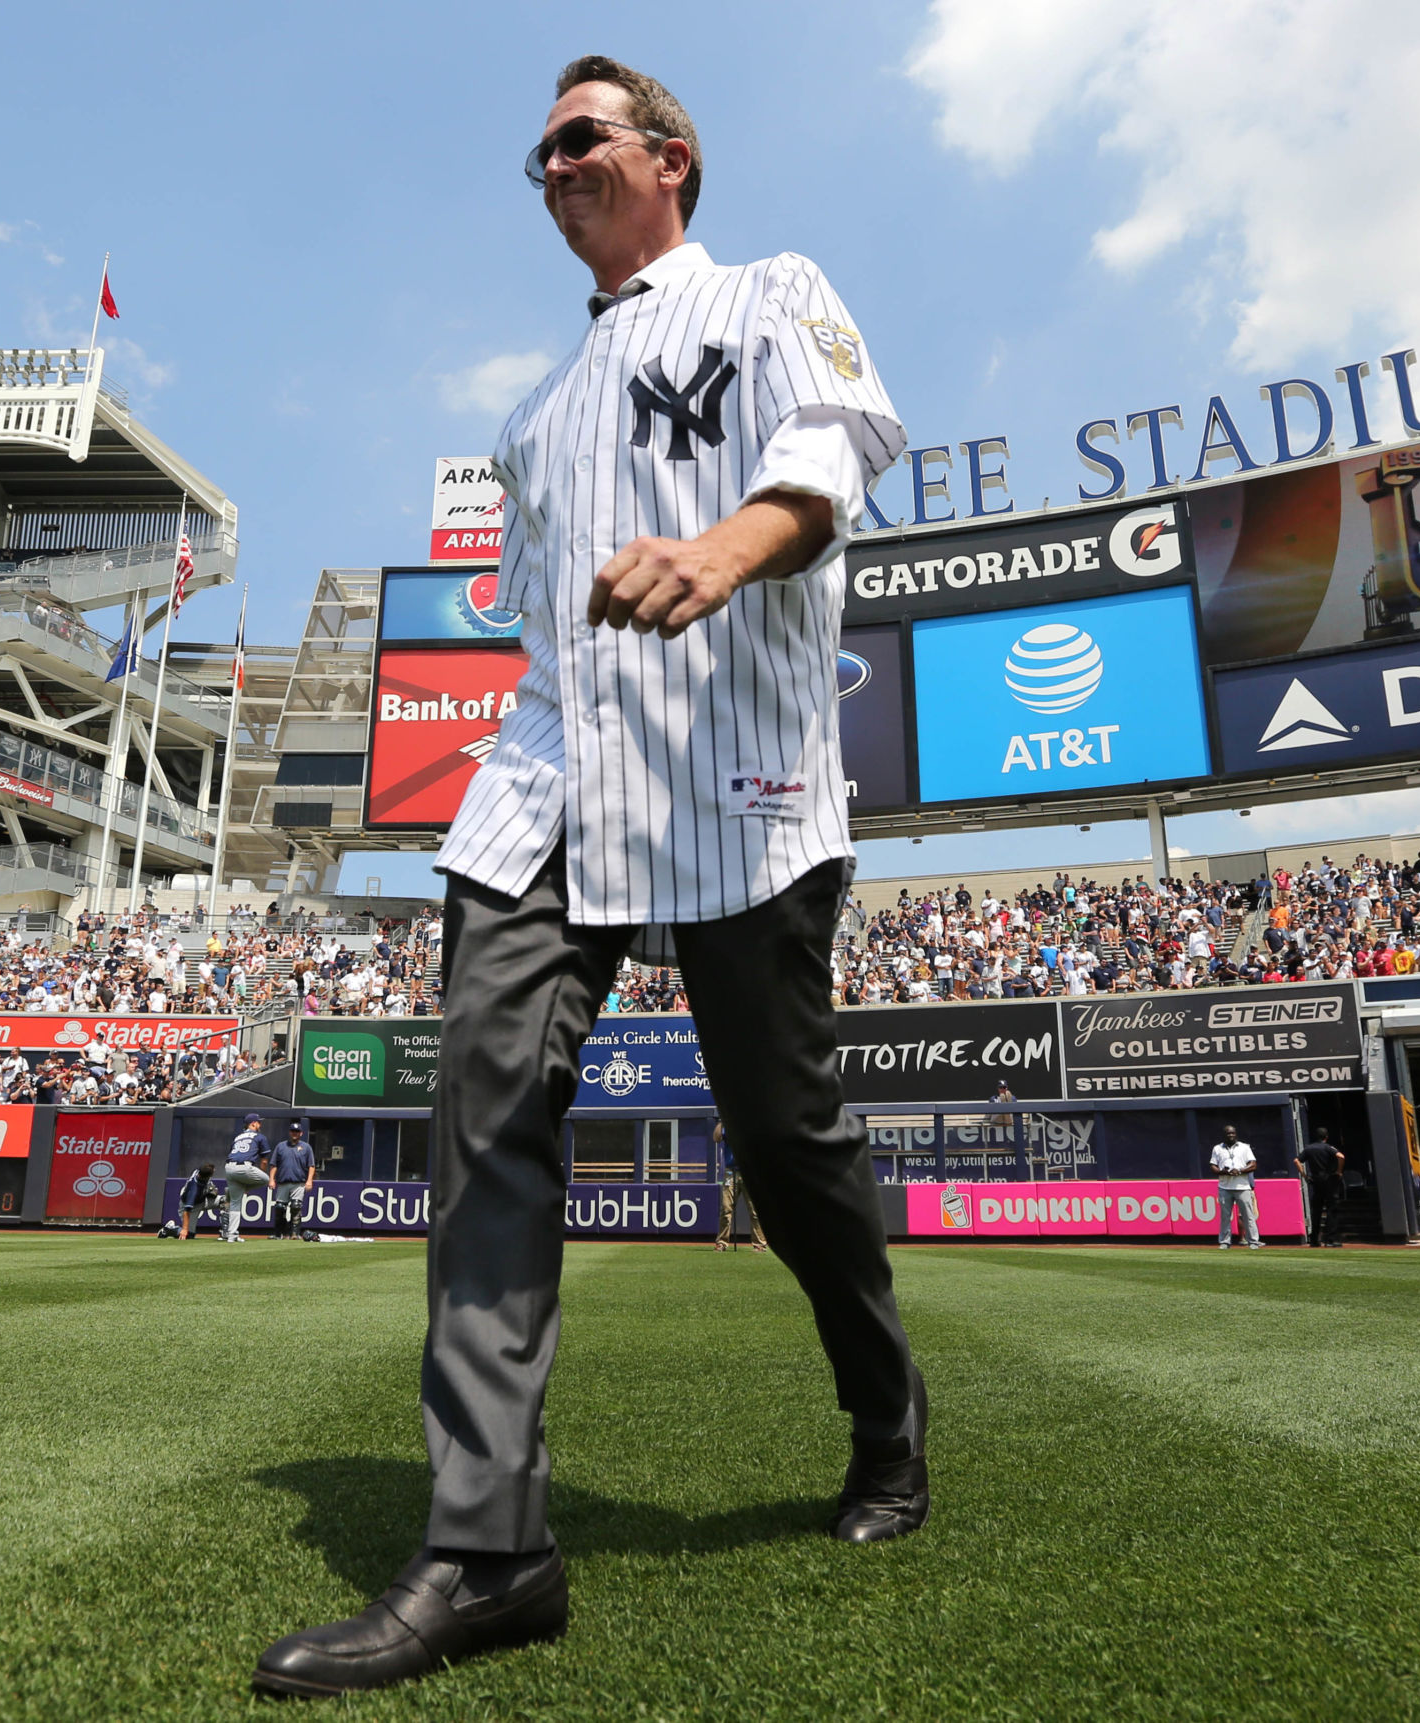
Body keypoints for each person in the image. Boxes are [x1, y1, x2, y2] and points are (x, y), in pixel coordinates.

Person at [255, 55, 918, 1701]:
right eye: (536, 153)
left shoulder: (771, 290)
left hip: (740, 776)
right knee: (484, 1104)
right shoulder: (533, 418)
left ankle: (883, 1400)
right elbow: (543, 634)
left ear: (669, 158)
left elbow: (846, 435)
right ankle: (489, 1547)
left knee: (784, 1130)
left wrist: (724, 546)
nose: (549, 166)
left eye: (578, 138)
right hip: (546, 784)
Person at [713, 1120, 766, 1252]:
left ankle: (759, 1244)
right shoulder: (728, 1125)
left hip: (750, 1172)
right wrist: (721, 1120)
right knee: (726, 1209)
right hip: (731, 1172)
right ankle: (722, 1242)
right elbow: (716, 1138)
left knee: (755, 1211)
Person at [223, 1115, 273, 1243]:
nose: (260, 1125)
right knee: (266, 1180)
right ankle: (244, 1188)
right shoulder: (259, 1137)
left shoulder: (238, 1137)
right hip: (244, 1167)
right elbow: (264, 1160)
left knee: (235, 1203)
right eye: (259, 1123)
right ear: (253, 1124)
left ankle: (231, 1236)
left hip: (229, 1168)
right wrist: (260, 1173)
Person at [1210, 1125, 1262, 1249]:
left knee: (1248, 1215)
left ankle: (1253, 1241)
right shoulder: (1217, 1148)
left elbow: (1253, 1165)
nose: (1231, 1135)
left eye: (1233, 1133)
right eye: (1228, 1133)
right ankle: (1225, 1241)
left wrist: (1239, 1170)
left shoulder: (1244, 1147)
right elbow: (1213, 1166)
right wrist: (1224, 1171)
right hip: (1224, 1186)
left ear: (1236, 1134)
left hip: (1242, 1186)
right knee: (1225, 1216)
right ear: (1224, 1135)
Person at [1296, 1127, 1345, 1247]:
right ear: (1326, 1137)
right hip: (1329, 1180)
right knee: (1331, 1209)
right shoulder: (1328, 1148)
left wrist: (1304, 1175)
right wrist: (1339, 1171)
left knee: (1316, 1211)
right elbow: (1341, 1156)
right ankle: (1330, 1239)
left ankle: (1314, 1240)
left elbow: (1296, 1161)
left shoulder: (1309, 1148)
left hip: (1315, 1180)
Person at [271, 1121, 316, 1240]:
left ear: (301, 1133)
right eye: (292, 1131)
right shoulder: (281, 1146)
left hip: (298, 1182)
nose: (294, 1133)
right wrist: (271, 1179)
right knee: (280, 1207)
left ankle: (294, 1233)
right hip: (283, 1181)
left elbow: (311, 1165)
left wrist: (309, 1181)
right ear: (289, 1132)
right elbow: (274, 1164)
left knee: (296, 1207)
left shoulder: (306, 1147)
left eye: (297, 1131)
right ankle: (279, 1233)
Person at [175, 1161, 215, 1241]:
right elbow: (187, 1210)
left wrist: (211, 1190)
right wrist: (185, 1229)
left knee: (224, 1201)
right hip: (191, 1207)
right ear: (207, 1176)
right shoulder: (194, 1189)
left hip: (203, 1200)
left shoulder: (199, 1172)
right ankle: (171, 1229)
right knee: (189, 1235)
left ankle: (225, 1233)